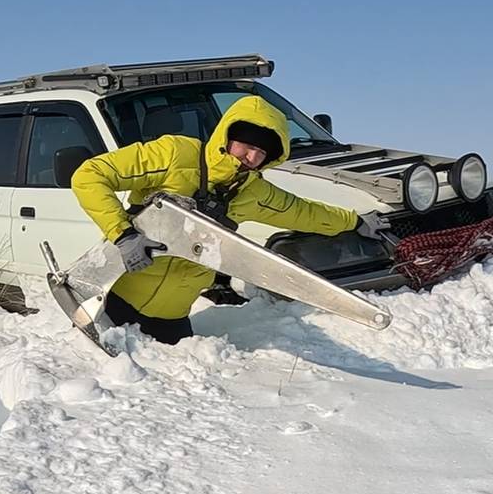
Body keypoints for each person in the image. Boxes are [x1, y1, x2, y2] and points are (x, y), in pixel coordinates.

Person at [71, 94, 384, 343]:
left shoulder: (253, 192)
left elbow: (305, 213)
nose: (251, 158)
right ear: (228, 136)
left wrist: (355, 222)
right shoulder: (175, 155)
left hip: (174, 319)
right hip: (112, 303)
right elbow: (89, 176)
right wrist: (123, 235)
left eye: (261, 153)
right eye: (247, 146)